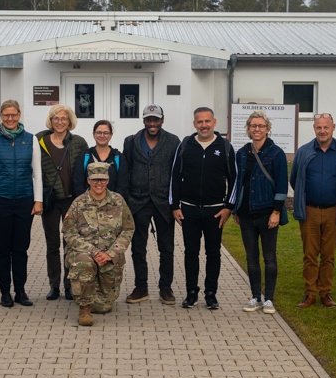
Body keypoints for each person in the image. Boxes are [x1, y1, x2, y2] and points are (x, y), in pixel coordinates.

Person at [170, 107, 238, 310]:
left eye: (207, 121)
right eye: (200, 122)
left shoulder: (225, 147)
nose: (204, 125)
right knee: (191, 252)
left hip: (215, 210)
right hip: (189, 209)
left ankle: (211, 294)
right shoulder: (185, 145)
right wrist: (174, 206)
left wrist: (228, 207)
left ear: (214, 122)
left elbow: (234, 178)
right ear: (194, 124)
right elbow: (174, 176)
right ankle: (191, 293)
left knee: (213, 252)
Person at [0, 99, 43, 308]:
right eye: (6, 115)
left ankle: (20, 291)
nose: (10, 118)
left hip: (24, 201)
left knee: (20, 249)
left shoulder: (31, 139)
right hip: (1, 201)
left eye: (14, 115)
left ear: (19, 115)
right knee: (2, 250)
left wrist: (38, 200)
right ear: (1, 116)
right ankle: (5, 292)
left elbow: (37, 173)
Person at [290, 112, 336, 309]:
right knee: (309, 254)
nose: (322, 131)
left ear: (334, 127)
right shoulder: (304, 151)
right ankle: (310, 293)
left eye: (326, 127)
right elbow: (295, 179)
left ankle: (325, 292)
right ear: (314, 128)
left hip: (334, 210)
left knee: (328, 255)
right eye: (319, 127)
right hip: (310, 211)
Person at [63, 162, 135, 326]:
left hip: (109, 256)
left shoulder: (118, 201)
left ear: (108, 180)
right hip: (85, 254)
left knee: (104, 306)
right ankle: (84, 309)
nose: (99, 183)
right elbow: (69, 232)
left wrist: (111, 254)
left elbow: (128, 229)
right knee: (84, 264)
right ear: (88, 180)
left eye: (102, 179)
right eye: (95, 179)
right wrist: (93, 252)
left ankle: (93, 295)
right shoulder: (78, 203)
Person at [121, 104, 181, 305]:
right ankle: (141, 287)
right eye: (149, 120)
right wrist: (126, 200)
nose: (152, 123)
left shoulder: (173, 142)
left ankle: (166, 288)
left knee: (167, 248)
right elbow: (126, 171)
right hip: (138, 202)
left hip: (164, 202)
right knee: (138, 248)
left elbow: (177, 174)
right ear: (144, 121)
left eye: (156, 119)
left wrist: (175, 203)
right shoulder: (130, 141)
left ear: (162, 120)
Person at [233, 111, 288, 315]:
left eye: (261, 126)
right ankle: (255, 296)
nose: (257, 129)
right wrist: (236, 209)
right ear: (248, 129)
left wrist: (276, 212)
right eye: (253, 126)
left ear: (268, 128)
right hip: (246, 213)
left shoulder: (276, 153)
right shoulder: (241, 153)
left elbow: (282, 185)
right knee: (251, 257)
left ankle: (269, 299)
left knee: (269, 257)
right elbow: (238, 183)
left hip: (267, 213)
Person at [36, 104, 88, 301]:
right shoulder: (39, 140)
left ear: (70, 121)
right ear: (51, 121)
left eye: (64, 119)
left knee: (71, 244)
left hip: (71, 201)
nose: (60, 122)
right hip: (50, 201)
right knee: (52, 244)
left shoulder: (78, 142)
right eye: (56, 118)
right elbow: (34, 171)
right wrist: (37, 200)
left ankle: (70, 286)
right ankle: (54, 286)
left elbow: (84, 171)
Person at [72, 119, 128, 197]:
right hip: (88, 206)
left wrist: (114, 204)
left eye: (106, 133)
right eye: (99, 132)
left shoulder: (118, 158)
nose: (102, 136)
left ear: (111, 135)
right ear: (93, 134)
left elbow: (122, 185)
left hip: (112, 206)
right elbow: (78, 184)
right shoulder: (85, 156)